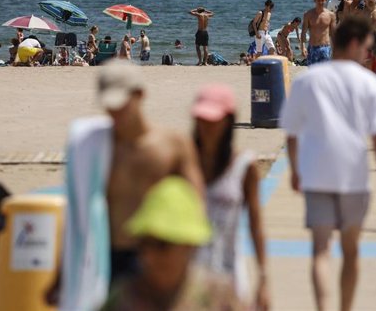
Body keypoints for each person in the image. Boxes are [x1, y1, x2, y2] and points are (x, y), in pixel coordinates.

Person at [49, 60, 204, 311]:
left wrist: (192, 263)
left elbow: (196, 206)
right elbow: (78, 214)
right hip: (103, 257)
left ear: (140, 94)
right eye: (108, 106)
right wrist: (61, 273)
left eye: (120, 104)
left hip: (152, 258)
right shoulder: (95, 148)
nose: (114, 112)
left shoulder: (172, 145)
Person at [280, 16, 376, 311]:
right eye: (367, 47)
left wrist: (294, 171)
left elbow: (291, 135)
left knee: (320, 251)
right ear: (354, 43)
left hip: (316, 174)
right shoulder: (371, 84)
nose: (368, 53)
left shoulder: (307, 80)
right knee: (351, 251)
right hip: (353, 178)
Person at [99, 176, 243, 311]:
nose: (149, 255)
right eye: (144, 243)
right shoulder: (121, 299)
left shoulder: (219, 298)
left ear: (189, 245)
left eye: (162, 245)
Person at [191, 85, 270, 310]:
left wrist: (263, 278)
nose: (207, 126)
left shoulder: (244, 166)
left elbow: (256, 225)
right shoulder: (184, 162)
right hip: (190, 275)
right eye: (201, 119)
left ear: (228, 121)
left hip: (230, 274)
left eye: (213, 120)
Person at [301, 0, 336, 65]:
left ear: (325, 1)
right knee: (312, 73)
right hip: (312, 48)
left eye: (322, 0)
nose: (320, 3)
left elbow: (333, 34)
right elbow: (303, 32)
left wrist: (336, 49)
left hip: (326, 48)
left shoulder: (331, 15)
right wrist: (303, 47)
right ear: (314, 0)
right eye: (318, 0)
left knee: (325, 73)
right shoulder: (308, 14)